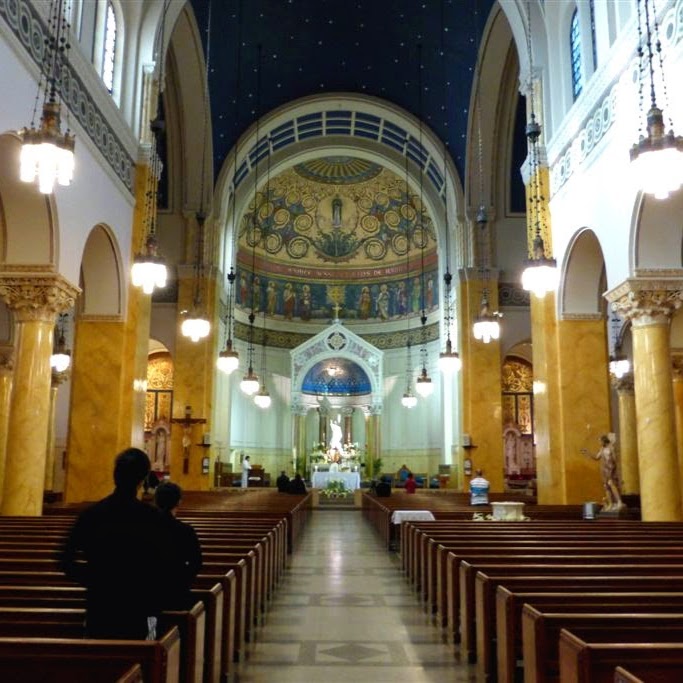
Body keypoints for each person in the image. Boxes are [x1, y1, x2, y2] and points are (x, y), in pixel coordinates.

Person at [59, 448, 169, 639]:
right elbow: (165, 563)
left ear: (114, 475)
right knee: (140, 661)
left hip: (100, 604)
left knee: (99, 663)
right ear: (143, 479)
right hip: (139, 606)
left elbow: (65, 559)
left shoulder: (92, 514)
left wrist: (94, 579)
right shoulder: (152, 518)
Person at [154, 482, 203, 610]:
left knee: (151, 628)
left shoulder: (145, 528)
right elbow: (196, 563)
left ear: (156, 501)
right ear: (179, 502)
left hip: (149, 595)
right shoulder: (185, 531)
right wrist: (182, 580)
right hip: (178, 593)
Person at [582, 434, 624, 511]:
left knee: (612, 485)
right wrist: (588, 453)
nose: (599, 443)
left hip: (610, 469)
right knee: (606, 487)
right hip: (604, 470)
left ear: (604, 441)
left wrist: (613, 469)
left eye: (600, 441)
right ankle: (610, 503)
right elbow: (596, 457)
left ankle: (619, 502)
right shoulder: (602, 449)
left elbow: (614, 460)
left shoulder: (611, 448)